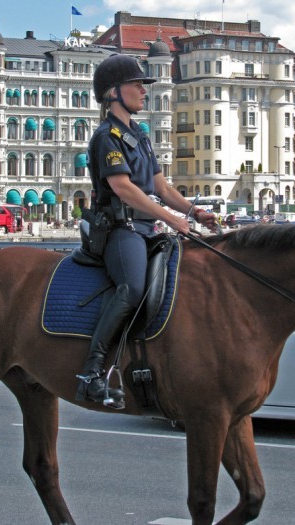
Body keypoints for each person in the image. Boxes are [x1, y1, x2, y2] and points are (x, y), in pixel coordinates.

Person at [75, 53, 217, 408]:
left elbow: (161, 188)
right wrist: (171, 220)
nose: (143, 90)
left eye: (144, 84)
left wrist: (194, 211)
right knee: (132, 287)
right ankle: (91, 372)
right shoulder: (107, 136)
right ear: (113, 93)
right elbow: (124, 188)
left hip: (143, 227)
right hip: (119, 229)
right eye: (136, 84)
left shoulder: (138, 134)